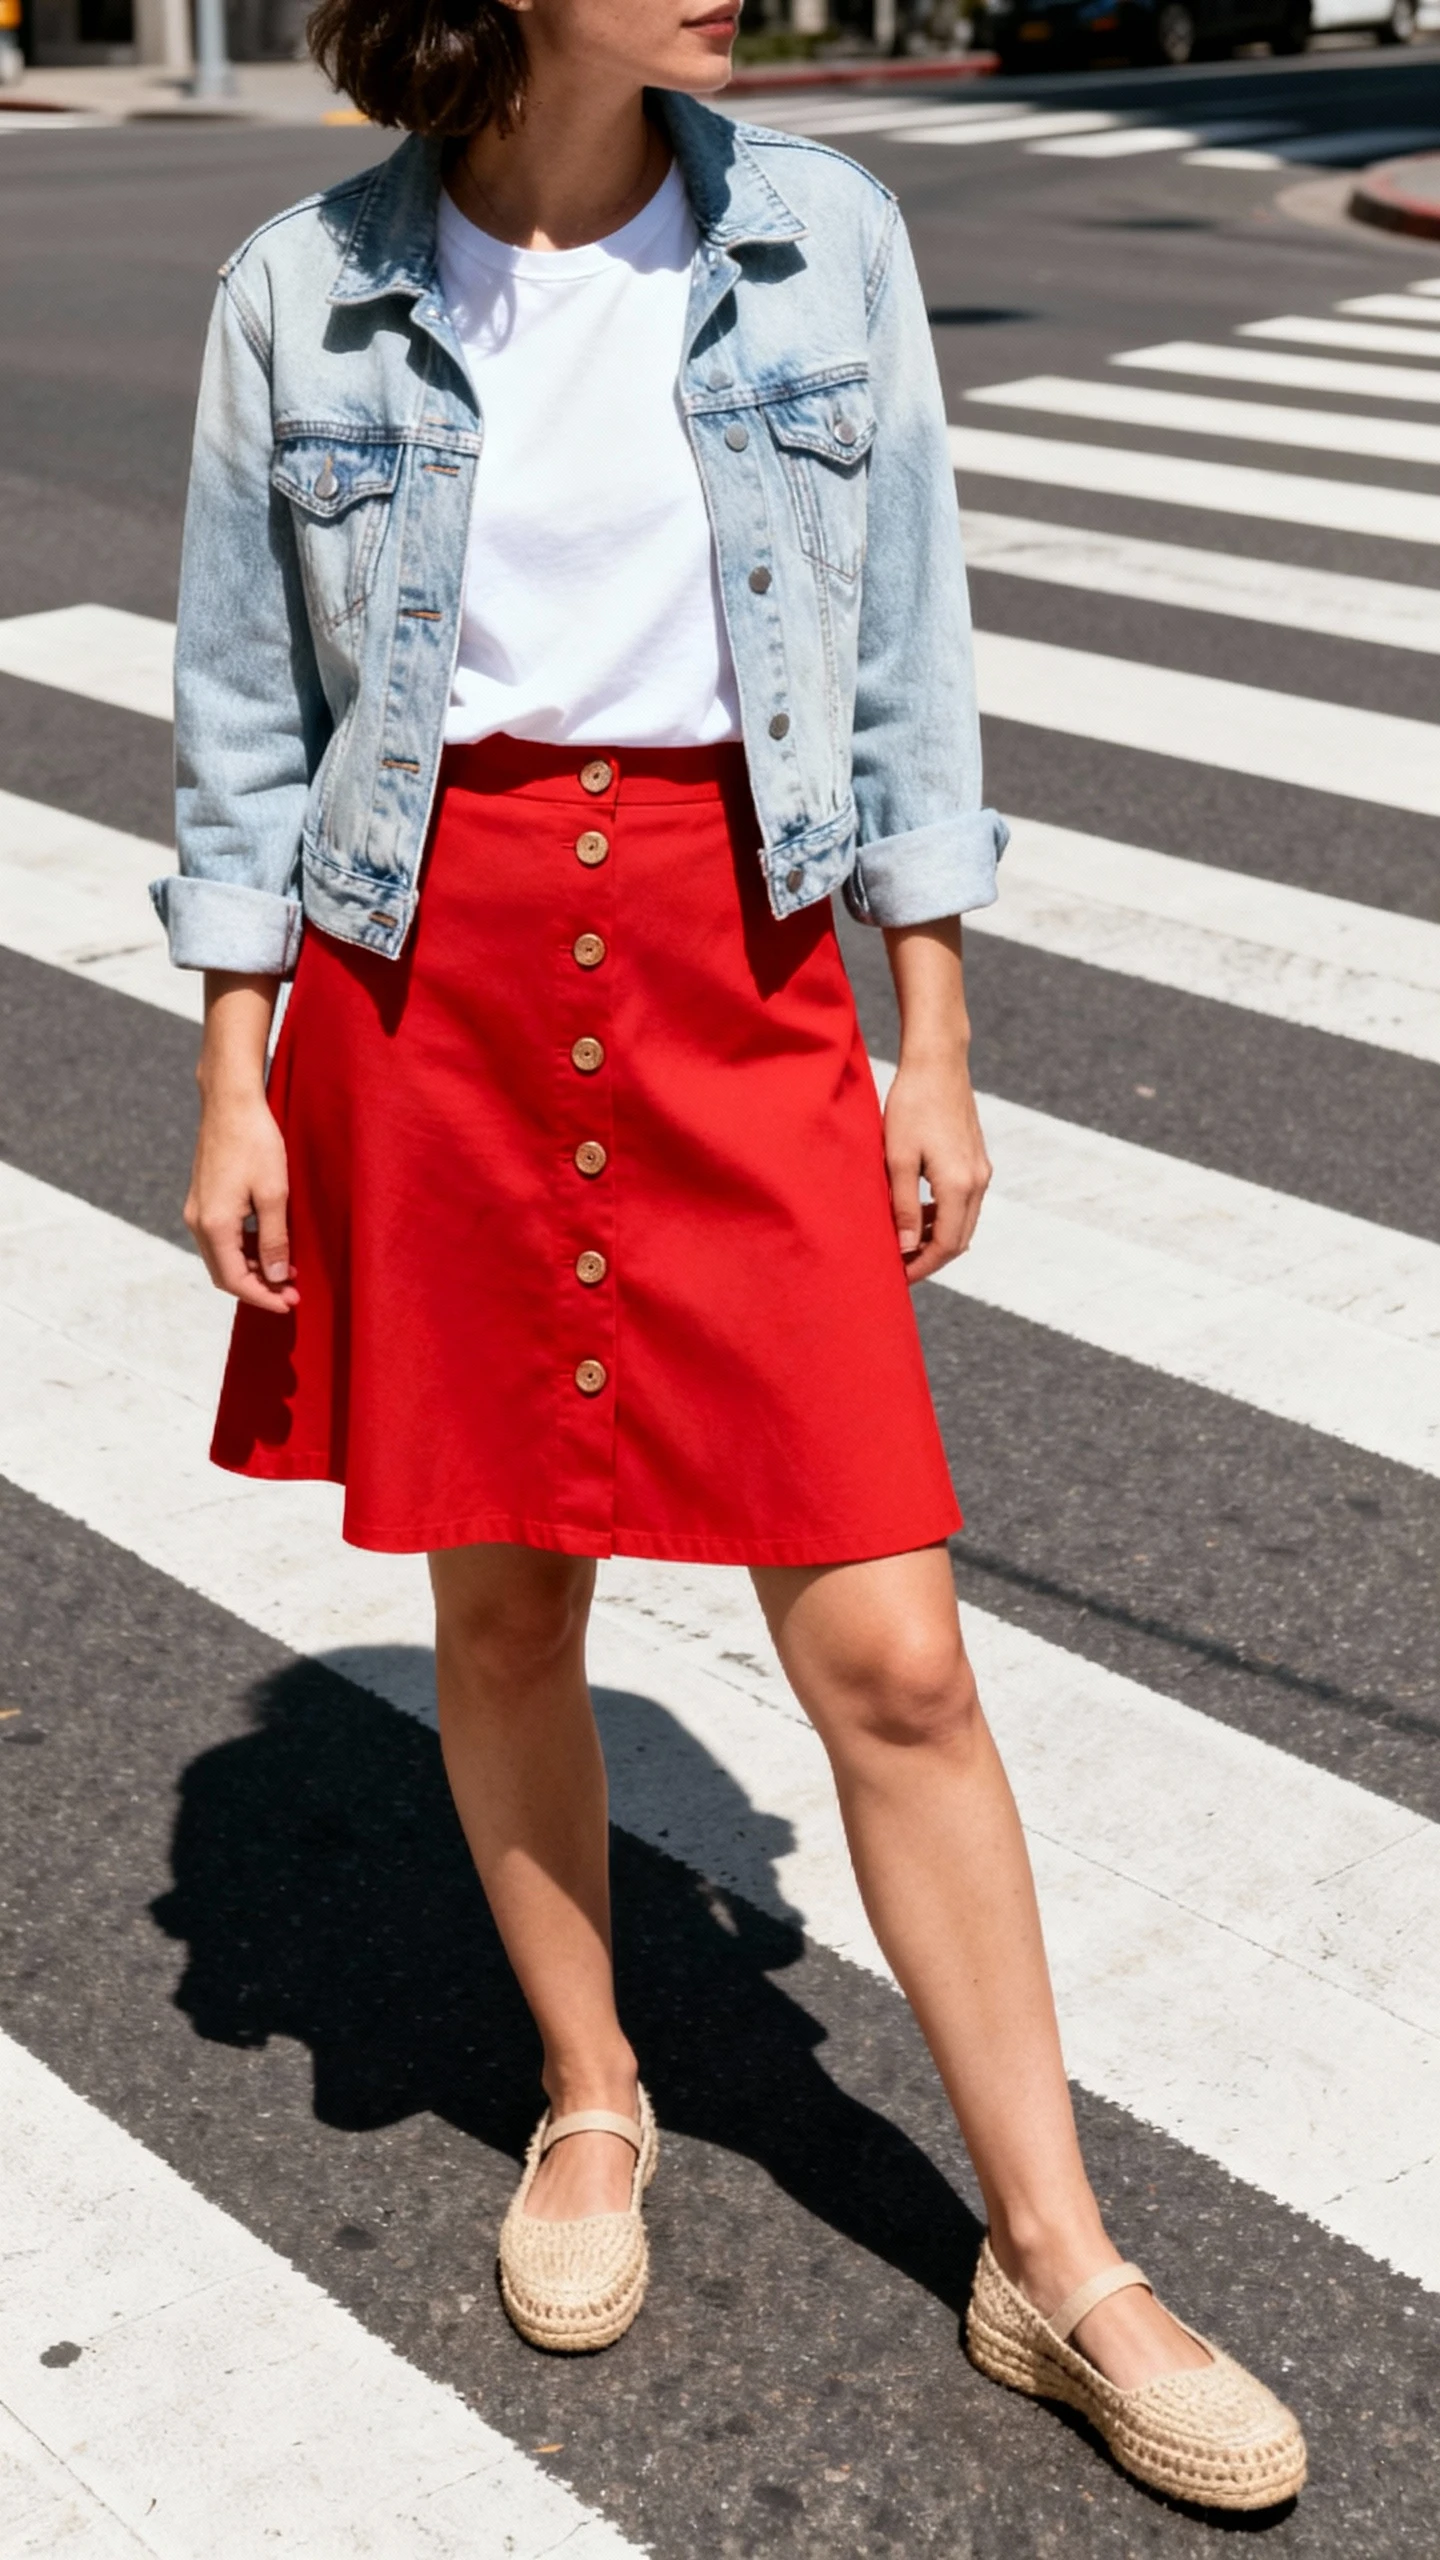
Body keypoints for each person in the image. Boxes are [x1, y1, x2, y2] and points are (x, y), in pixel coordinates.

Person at [152, 0, 1305, 2513]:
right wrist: (237, 1067)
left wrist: (937, 1033)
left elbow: (906, 664)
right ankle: (588, 2091)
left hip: (741, 965)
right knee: (505, 1601)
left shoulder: (822, 244)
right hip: (422, 979)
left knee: (892, 1646)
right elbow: (246, 713)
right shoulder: (301, 288)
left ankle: (1060, 2249)